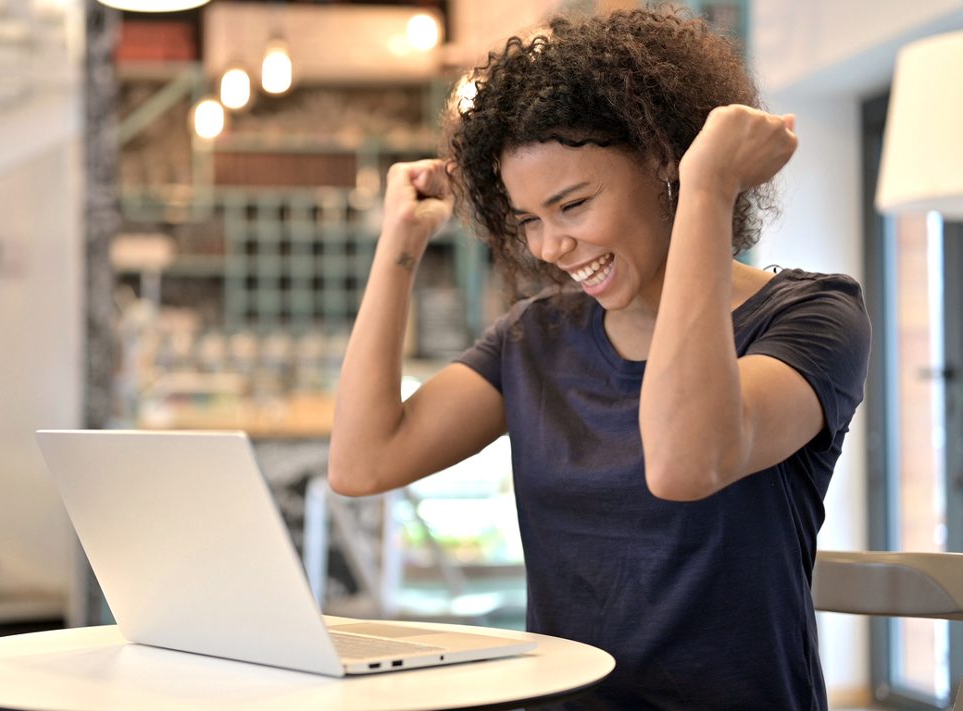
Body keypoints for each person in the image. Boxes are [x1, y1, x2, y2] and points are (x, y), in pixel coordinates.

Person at [328, 7, 870, 710]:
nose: (550, 246)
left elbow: (685, 461)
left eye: (573, 205)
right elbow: (362, 460)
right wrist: (398, 245)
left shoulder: (810, 317)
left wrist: (708, 187)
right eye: (529, 221)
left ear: (661, 163)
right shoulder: (536, 338)